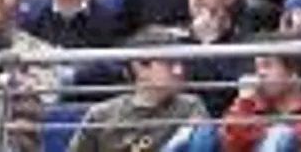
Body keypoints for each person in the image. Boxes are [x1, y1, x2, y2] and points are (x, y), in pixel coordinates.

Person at [67, 28, 208, 152]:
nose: (179, 71)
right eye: (170, 63)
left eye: (180, 62)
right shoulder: (100, 115)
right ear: (140, 67)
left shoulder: (191, 107)